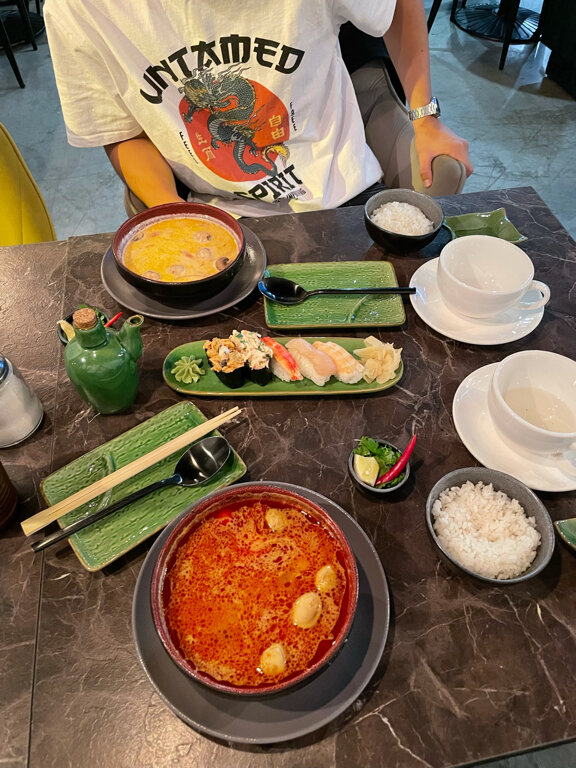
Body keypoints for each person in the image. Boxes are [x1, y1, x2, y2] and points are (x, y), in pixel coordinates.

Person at [44, 0, 472, 218]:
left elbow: (394, 8)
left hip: (340, 195)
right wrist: (172, 209)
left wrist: (425, 118)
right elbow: (122, 129)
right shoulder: (81, 9)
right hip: (209, 207)